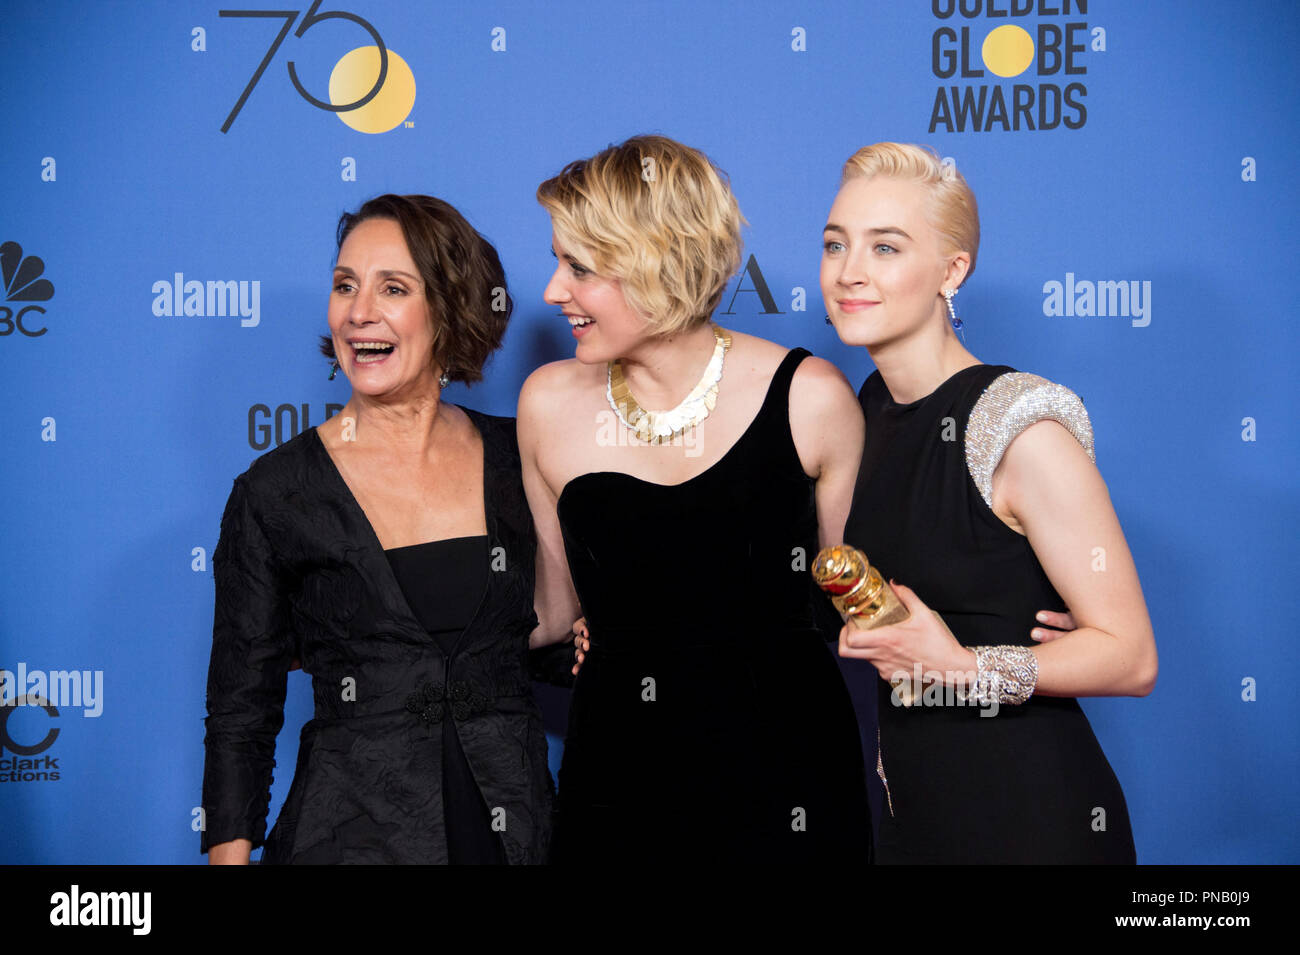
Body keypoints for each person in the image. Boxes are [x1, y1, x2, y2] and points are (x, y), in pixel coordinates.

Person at [518, 135, 873, 862]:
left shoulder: (809, 398)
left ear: (656, 264)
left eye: (578, 268)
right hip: (616, 787)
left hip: (789, 782)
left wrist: (986, 655)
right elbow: (549, 614)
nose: (554, 291)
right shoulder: (547, 403)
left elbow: (862, 610)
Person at [202, 194, 566, 864]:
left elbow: (533, 639)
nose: (358, 311)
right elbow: (240, 712)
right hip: (349, 836)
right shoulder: (276, 492)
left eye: (392, 287)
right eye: (345, 285)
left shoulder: (523, 456)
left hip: (516, 832)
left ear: (451, 307)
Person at [824, 143, 1157, 863]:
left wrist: (961, 664)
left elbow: (1132, 657)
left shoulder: (1017, 423)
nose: (849, 271)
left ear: (952, 270)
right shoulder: (874, 406)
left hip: (1033, 817)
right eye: (835, 244)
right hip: (917, 810)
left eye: (885, 247)